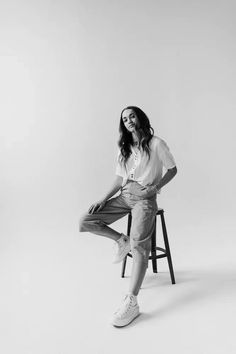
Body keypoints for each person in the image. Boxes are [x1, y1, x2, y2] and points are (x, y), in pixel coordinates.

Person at [79, 106, 177, 327]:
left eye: (132, 116)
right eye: (124, 119)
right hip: (125, 195)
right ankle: (121, 241)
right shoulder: (124, 147)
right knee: (85, 220)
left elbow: (173, 169)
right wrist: (103, 199)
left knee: (140, 245)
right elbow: (118, 178)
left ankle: (131, 301)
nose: (129, 120)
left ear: (140, 118)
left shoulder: (157, 144)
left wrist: (155, 189)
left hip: (144, 198)